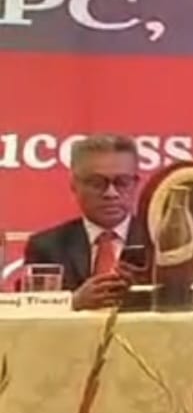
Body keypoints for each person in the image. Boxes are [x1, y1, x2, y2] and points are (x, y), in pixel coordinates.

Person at [23, 133, 147, 310]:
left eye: (122, 182)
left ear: (135, 184)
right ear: (74, 185)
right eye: (97, 183)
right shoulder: (46, 246)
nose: (111, 193)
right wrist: (73, 303)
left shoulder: (160, 243)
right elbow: (30, 310)